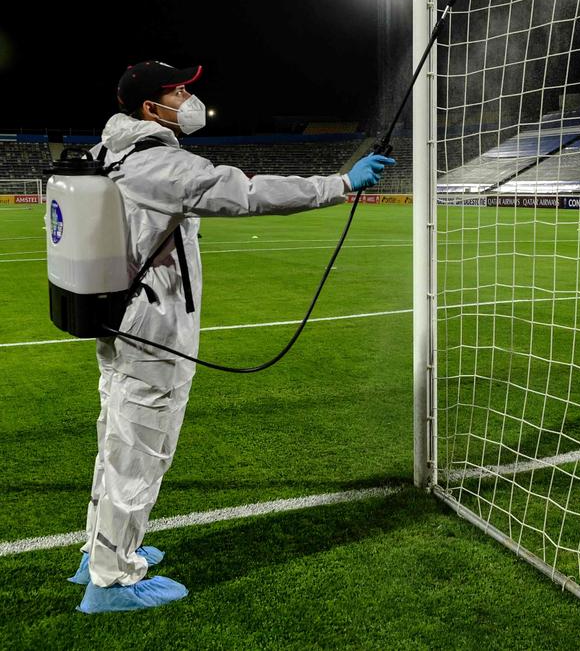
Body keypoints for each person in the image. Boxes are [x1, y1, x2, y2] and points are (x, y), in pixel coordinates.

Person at [70, 60, 395, 613]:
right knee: (140, 449)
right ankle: (112, 580)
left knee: (117, 442)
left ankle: (102, 551)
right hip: (152, 331)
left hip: (122, 322)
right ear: (151, 107)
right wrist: (339, 184)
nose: (187, 100)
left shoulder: (112, 152)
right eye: (178, 92)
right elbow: (241, 191)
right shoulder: (154, 163)